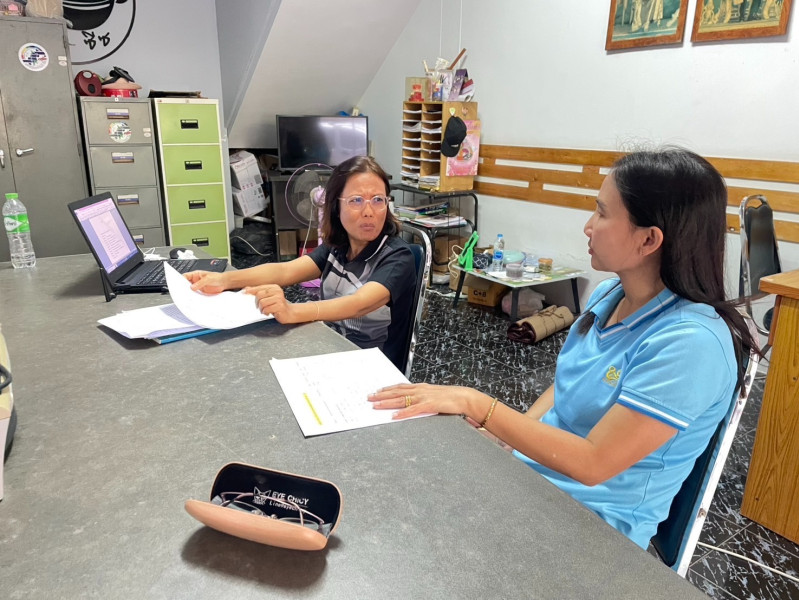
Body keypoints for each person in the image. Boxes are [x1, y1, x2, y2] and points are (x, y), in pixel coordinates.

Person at [369, 148, 756, 549]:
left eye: (602, 213)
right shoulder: (610, 294)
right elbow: (568, 386)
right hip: (533, 481)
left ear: (648, 239)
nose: (588, 227)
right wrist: (507, 438)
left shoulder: (691, 343)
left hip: (590, 530)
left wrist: (478, 404)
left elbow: (592, 462)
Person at [186, 155, 417, 370]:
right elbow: (286, 271)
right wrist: (224, 279)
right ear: (335, 207)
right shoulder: (339, 245)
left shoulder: (397, 257)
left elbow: (358, 304)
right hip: (329, 350)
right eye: (356, 200)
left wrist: (292, 311)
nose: (369, 211)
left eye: (378, 200)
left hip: (370, 369)